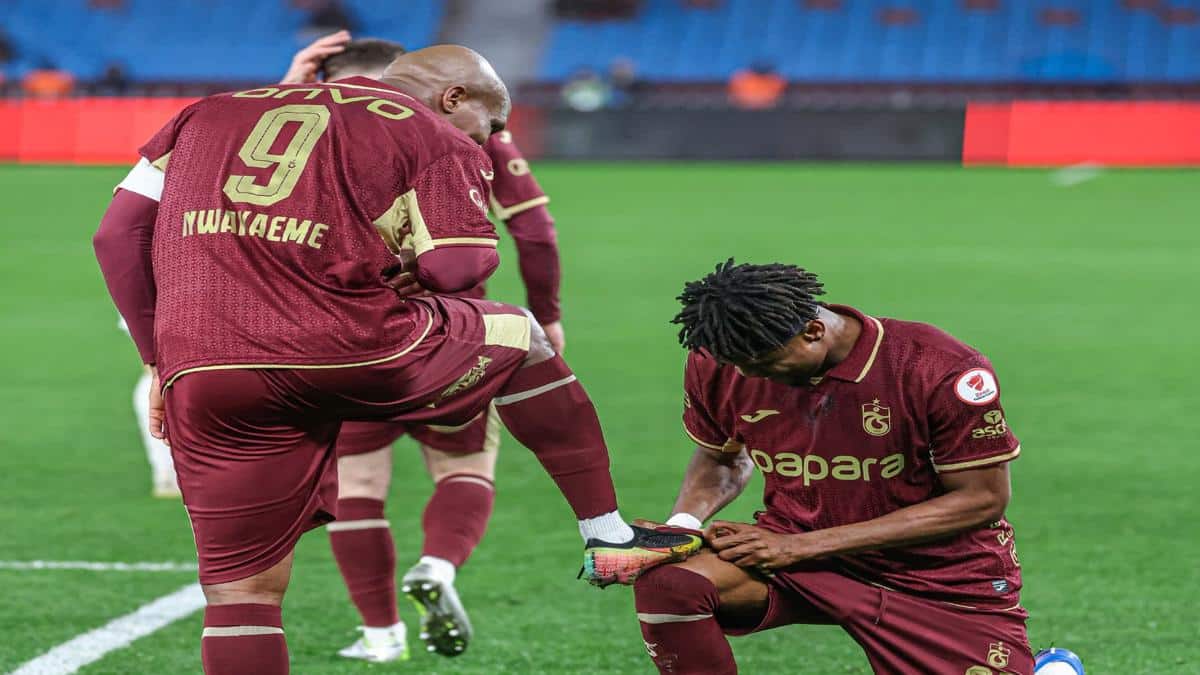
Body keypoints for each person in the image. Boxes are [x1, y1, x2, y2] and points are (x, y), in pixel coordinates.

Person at [93, 45, 699, 675]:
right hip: (356, 348)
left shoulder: (206, 112)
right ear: (453, 98)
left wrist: (160, 361)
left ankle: (375, 623)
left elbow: (115, 235)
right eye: (492, 126)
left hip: (208, 371)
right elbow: (459, 267)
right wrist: (411, 269)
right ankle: (606, 534)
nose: (491, 141)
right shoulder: (430, 132)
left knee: (240, 597)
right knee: (525, 337)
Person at [279, 33, 566, 662]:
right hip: (450, 334)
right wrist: (547, 314)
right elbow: (536, 230)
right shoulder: (457, 125)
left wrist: (291, 85)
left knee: (357, 482)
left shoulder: (314, 124)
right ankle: (437, 567)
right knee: (464, 469)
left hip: (349, 337)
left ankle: (382, 636)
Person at [632, 259, 1035, 674]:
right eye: (737, 364)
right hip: (799, 557)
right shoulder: (725, 358)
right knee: (671, 587)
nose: (749, 376)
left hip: (934, 575)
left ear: (813, 331)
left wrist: (797, 547)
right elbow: (722, 456)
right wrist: (681, 525)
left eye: (765, 363)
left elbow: (982, 499)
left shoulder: (937, 367)